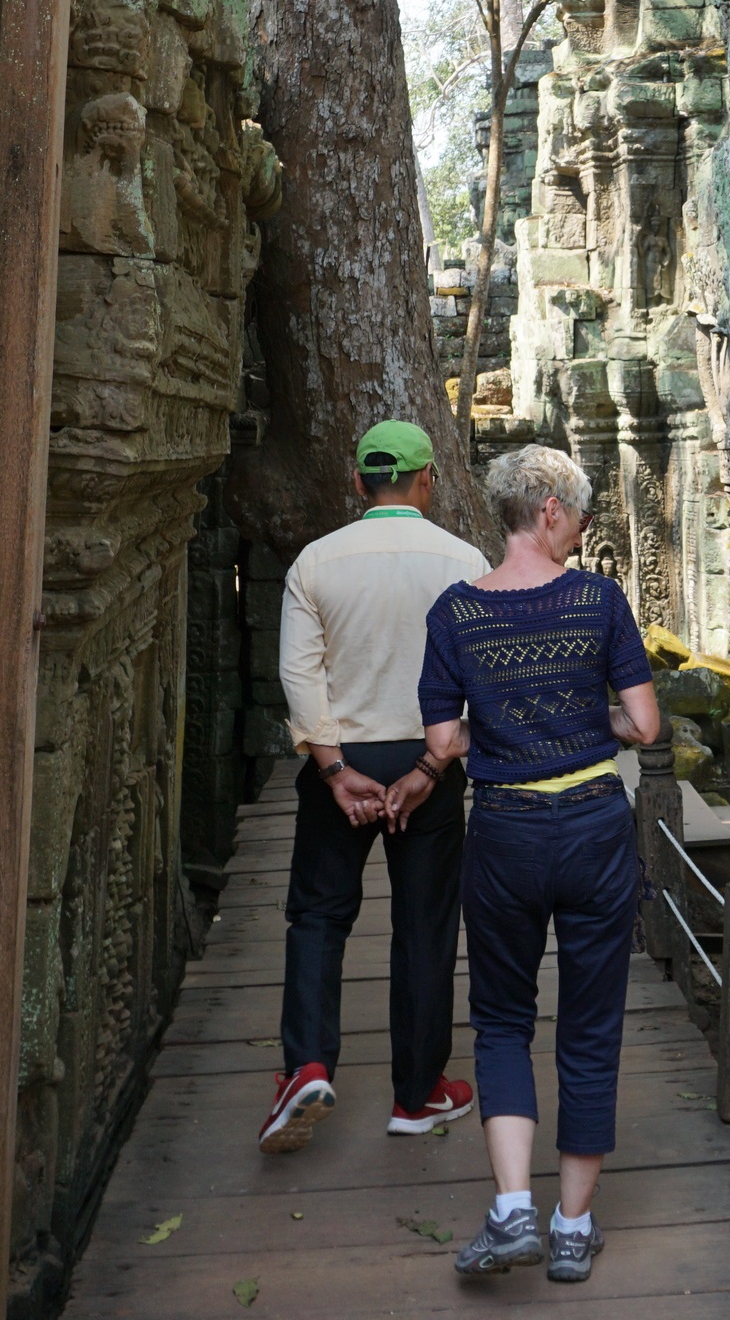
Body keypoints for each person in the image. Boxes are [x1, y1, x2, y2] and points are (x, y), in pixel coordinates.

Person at [415, 445, 663, 1283]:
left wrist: (503, 731)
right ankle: (573, 1228)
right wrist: (589, 727)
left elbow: (443, 740)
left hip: (505, 834)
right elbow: (645, 724)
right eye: (582, 516)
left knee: (501, 1019)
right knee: (590, 1027)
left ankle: (514, 1209)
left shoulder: (455, 613)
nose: (582, 532)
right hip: (594, 827)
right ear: (550, 508)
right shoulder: (598, 600)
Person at [261, 420, 488, 1153]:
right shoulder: (463, 562)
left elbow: (299, 673)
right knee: (424, 926)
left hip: (345, 758)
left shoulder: (317, 562)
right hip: (430, 761)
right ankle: (417, 1093)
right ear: (427, 482)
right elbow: (478, 680)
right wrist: (430, 769)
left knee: (318, 917)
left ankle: (307, 1064)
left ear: (359, 482)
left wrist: (333, 769)